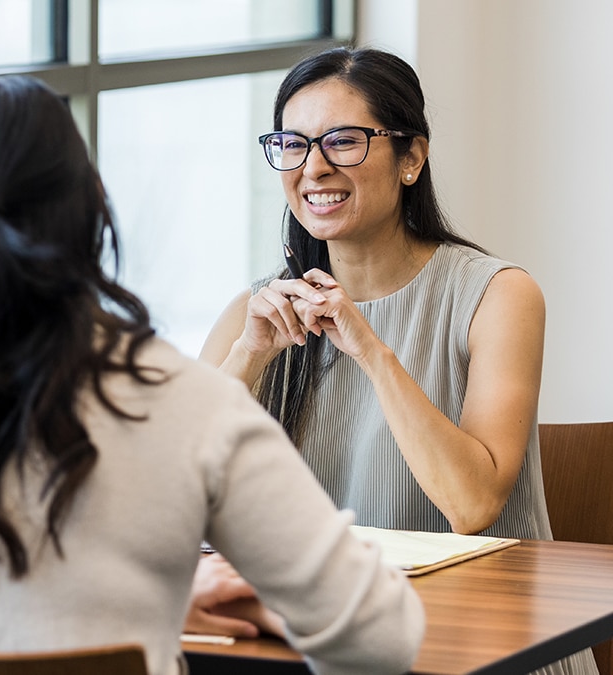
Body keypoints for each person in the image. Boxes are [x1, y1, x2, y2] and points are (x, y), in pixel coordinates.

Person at [0, 74, 424, 675]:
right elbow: (383, 639)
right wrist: (180, 598)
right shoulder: (180, 401)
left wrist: (133, 597)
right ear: (91, 209)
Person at [195, 46, 597, 675]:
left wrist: (371, 351)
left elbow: (471, 506)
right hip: (327, 649)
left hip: (490, 646)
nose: (314, 168)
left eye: (344, 142)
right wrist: (248, 356)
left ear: (411, 158)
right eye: (293, 145)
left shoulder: (498, 295)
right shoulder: (254, 315)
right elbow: (171, 503)